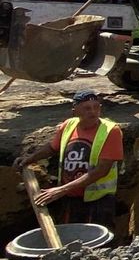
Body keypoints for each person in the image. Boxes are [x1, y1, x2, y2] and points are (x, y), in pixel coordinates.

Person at [14, 90, 122, 228]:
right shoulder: (68, 125)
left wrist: (60, 190)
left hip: (98, 201)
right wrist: (29, 159)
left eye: (96, 107)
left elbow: (101, 170)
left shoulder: (111, 131)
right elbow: (52, 148)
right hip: (70, 198)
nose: (93, 112)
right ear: (74, 111)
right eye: (87, 108)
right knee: (69, 236)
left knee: (97, 239)